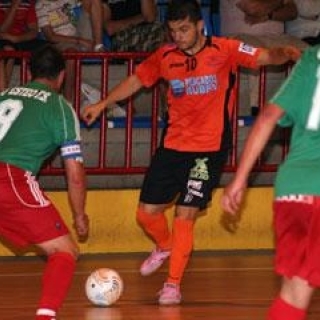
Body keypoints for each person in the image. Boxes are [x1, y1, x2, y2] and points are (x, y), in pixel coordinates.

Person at [82, 0, 300, 305]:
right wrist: (102, 104)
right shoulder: (165, 56)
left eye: (184, 29)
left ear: (200, 26)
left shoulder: (225, 49)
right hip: (172, 145)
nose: (179, 37)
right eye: (173, 31)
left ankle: (172, 284)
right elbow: (136, 80)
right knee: (145, 214)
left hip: (208, 150)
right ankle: (165, 245)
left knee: (186, 214)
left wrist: (286, 53)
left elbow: (265, 56)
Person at [221, 45, 320, 320]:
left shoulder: (310, 61)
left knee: (294, 294)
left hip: (293, 190)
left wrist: (239, 180)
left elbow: (267, 117)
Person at [0, 45, 89, 320]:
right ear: (61, 76)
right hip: (10, 178)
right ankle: (45, 316)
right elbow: (74, 173)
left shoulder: (4, 95)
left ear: (30, 71)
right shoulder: (60, 108)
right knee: (64, 251)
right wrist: (79, 214)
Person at [220, 0, 307, 117]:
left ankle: (311, 106)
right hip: (240, 36)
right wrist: (280, 2)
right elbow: (252, 8)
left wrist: (267, 15)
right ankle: (255, 110)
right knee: (253, 50)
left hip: (278, 38)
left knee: (311, 53)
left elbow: (292, 12)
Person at [36, 0, 105, 101]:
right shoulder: (41, 4)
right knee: (71, 54)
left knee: (95, 1)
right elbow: (50, 36)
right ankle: (68, 100)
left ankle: (98, 46)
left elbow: (89, 7)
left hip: (79, 35)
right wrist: (80, 41)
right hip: (60, 41)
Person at [0, 0, 48, 91]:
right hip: (3, 39)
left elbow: (33, 31)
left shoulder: (27, 4)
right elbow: (2, 30)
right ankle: (3, 91)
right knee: (9, 50)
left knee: (47, 49)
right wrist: (14, 6)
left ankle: (43, 92)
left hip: (21, 39)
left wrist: (17, 38)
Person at [102, 0, 166, 52]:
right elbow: (110, 29)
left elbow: (150, 17)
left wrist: (123, 24)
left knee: (159, 31)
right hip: (122, 37)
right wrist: (141, 18)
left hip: (147, 33)